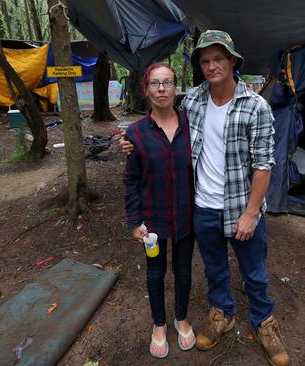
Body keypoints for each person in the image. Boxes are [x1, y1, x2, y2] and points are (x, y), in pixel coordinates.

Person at [122, 30, 289, 366]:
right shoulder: (194, 102)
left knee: (253, 272)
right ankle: (222, 313)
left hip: (240, 208)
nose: (212, 66)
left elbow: (263, 164)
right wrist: (129, 143)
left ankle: (264, 323)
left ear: (232, 61)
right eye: (205, 61)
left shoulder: (254, 106)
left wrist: (251, 213)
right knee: (215, 270)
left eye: (219, 59)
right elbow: (159, 128)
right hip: (202, 208)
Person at [123, 63, 196, 359]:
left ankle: (181, 317)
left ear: (176, 87)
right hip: (152, 221)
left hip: (187, 216)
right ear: (146, 90)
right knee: (156, 272)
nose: (162, 88)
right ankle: (159, 324)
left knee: (183, 270)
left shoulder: (193, 124)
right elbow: (131, 179)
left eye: (167, 82)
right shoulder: (136, 133)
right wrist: (133, 220)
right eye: (155, 83)